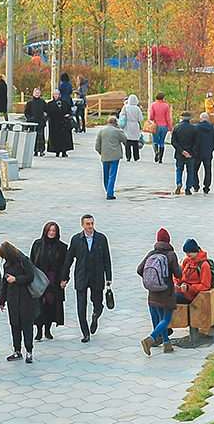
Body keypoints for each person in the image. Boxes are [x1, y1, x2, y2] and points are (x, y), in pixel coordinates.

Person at [61, 213, 112, 343]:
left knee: (98, 303)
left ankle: (95, 316)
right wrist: (64, 277)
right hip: (81, 276)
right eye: (87, 224)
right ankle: (85, 332)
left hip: (97, 276)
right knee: (81, 306)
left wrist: (108, 276)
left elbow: (107, 258)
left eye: (92, 223)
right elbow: (68, 259)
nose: (90, 226)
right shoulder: (76, 239)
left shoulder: (101, 238)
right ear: (82, 225)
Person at [137, 228, 182, 355]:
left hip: (153, 292)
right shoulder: (171, 255)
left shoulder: (151, 254)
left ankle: (167, 344)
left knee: (160, 318)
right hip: (166, 293)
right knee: (166, 319)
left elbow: (139, 270)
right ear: (168, 240)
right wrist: (179, 267)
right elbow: (178, 274)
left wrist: (152, 280)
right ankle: (150, 339)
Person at [0, 240, 40, 363]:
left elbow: (30, 276)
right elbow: (4, 282)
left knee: (27, 326)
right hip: (13, 300)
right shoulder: (6, 265)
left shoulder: (23, 260)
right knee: (15, 325)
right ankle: (17, 351)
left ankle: (29, 351)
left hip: (26, 299)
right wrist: (2, 299)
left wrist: (16, 279)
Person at [29, 222, 67, 340]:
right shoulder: (37, 244)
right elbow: (31, 262)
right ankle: (39, 330)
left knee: (51, 304)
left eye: (54, 231)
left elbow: (65, 265)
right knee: (40, 304)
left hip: (54, 280)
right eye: (49, 230)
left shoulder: (62, 247)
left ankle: (48, 329)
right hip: (40, 280)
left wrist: (64, 279)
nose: (51, 233)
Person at [94, 115, 124, 199]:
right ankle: (110, 193)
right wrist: (119, 129)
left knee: (106, 175)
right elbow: (125, 140)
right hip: (115, 156)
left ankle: (108, 190)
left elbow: (97, 146)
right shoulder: (117, 131)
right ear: (116, 123)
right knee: (112, 175)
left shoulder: (101, 131)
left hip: (105, 156)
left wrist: (101, 152)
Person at [177, 239, 213, 305]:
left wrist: (188, 288)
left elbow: (205, 286)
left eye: (189, 252)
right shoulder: (186, 261)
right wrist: (175, 283)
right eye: (186, 252)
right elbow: (179, 275)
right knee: (162, 296)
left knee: (168, 298)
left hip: (192, 296)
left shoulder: (204, 265)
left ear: (195, 251)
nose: (187, 255)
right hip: (182, 291)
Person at [170, 111, 199, 196]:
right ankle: (188, 188)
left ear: (181, 118)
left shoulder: (177, 128)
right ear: (190, 118)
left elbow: (173, 142)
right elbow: (197, 142)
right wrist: (190, 152)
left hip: (180, 153)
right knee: (190, 171)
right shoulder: (194, 128)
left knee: (179, 169)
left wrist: (182, 151)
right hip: (191, 154)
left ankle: (179, 183)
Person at [193, 113, 214, 195]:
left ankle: (196, 186)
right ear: (208, 119)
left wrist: (194, 150)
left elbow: (193, 140)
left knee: (195, 170)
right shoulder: (213, 129)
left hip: (197, 153)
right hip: (208, 153)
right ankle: (206, 187)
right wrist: (211, 149)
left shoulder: (196, 128)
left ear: (200, 119)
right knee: (208, 170)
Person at [46, 90, 73, 157]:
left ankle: (64, 151)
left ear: (59, 95)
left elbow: (69, 110)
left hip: (64, 123)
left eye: (57, 94)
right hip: (54, 123)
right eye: (54, 94)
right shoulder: (50, 104)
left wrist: (68, 114)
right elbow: (47, 112)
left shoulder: (64, 102)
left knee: (64, 138)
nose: (56, 95)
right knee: (56, 138)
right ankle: (57, 151)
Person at [23, 87, 48, 157]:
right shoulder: (30, 102)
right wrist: (30, 119)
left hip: (41, 122)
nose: (37, 94)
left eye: (38, 93)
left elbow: (46, 111)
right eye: (35, 93)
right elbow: (26, 112)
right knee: (34, 137)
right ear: (33, 93)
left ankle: (41, 151)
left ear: (40, 94)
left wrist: (44, 117)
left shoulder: (42, 102)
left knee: (41, 137)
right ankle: (35, 151)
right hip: (32, 123)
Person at [148, 93, 172, 163]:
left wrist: (151, 119)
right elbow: (168, 118)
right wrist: (170, 127)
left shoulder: (153, 105)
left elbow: (151, 116)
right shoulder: (166, 106)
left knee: (155, 141)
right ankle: (161, 158)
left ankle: (156, 152)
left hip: (156, 126)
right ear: (163, 98)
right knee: (162, 142)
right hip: (164, 126)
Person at [119, 94, 144, 163]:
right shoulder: (137, 108)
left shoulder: (125, 107)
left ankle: (128, 157)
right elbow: (141, 118)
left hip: (128, 124)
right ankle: (136, 157)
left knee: (128, 142)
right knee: (135, 142)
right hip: (135, 125)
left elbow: (121, 115)